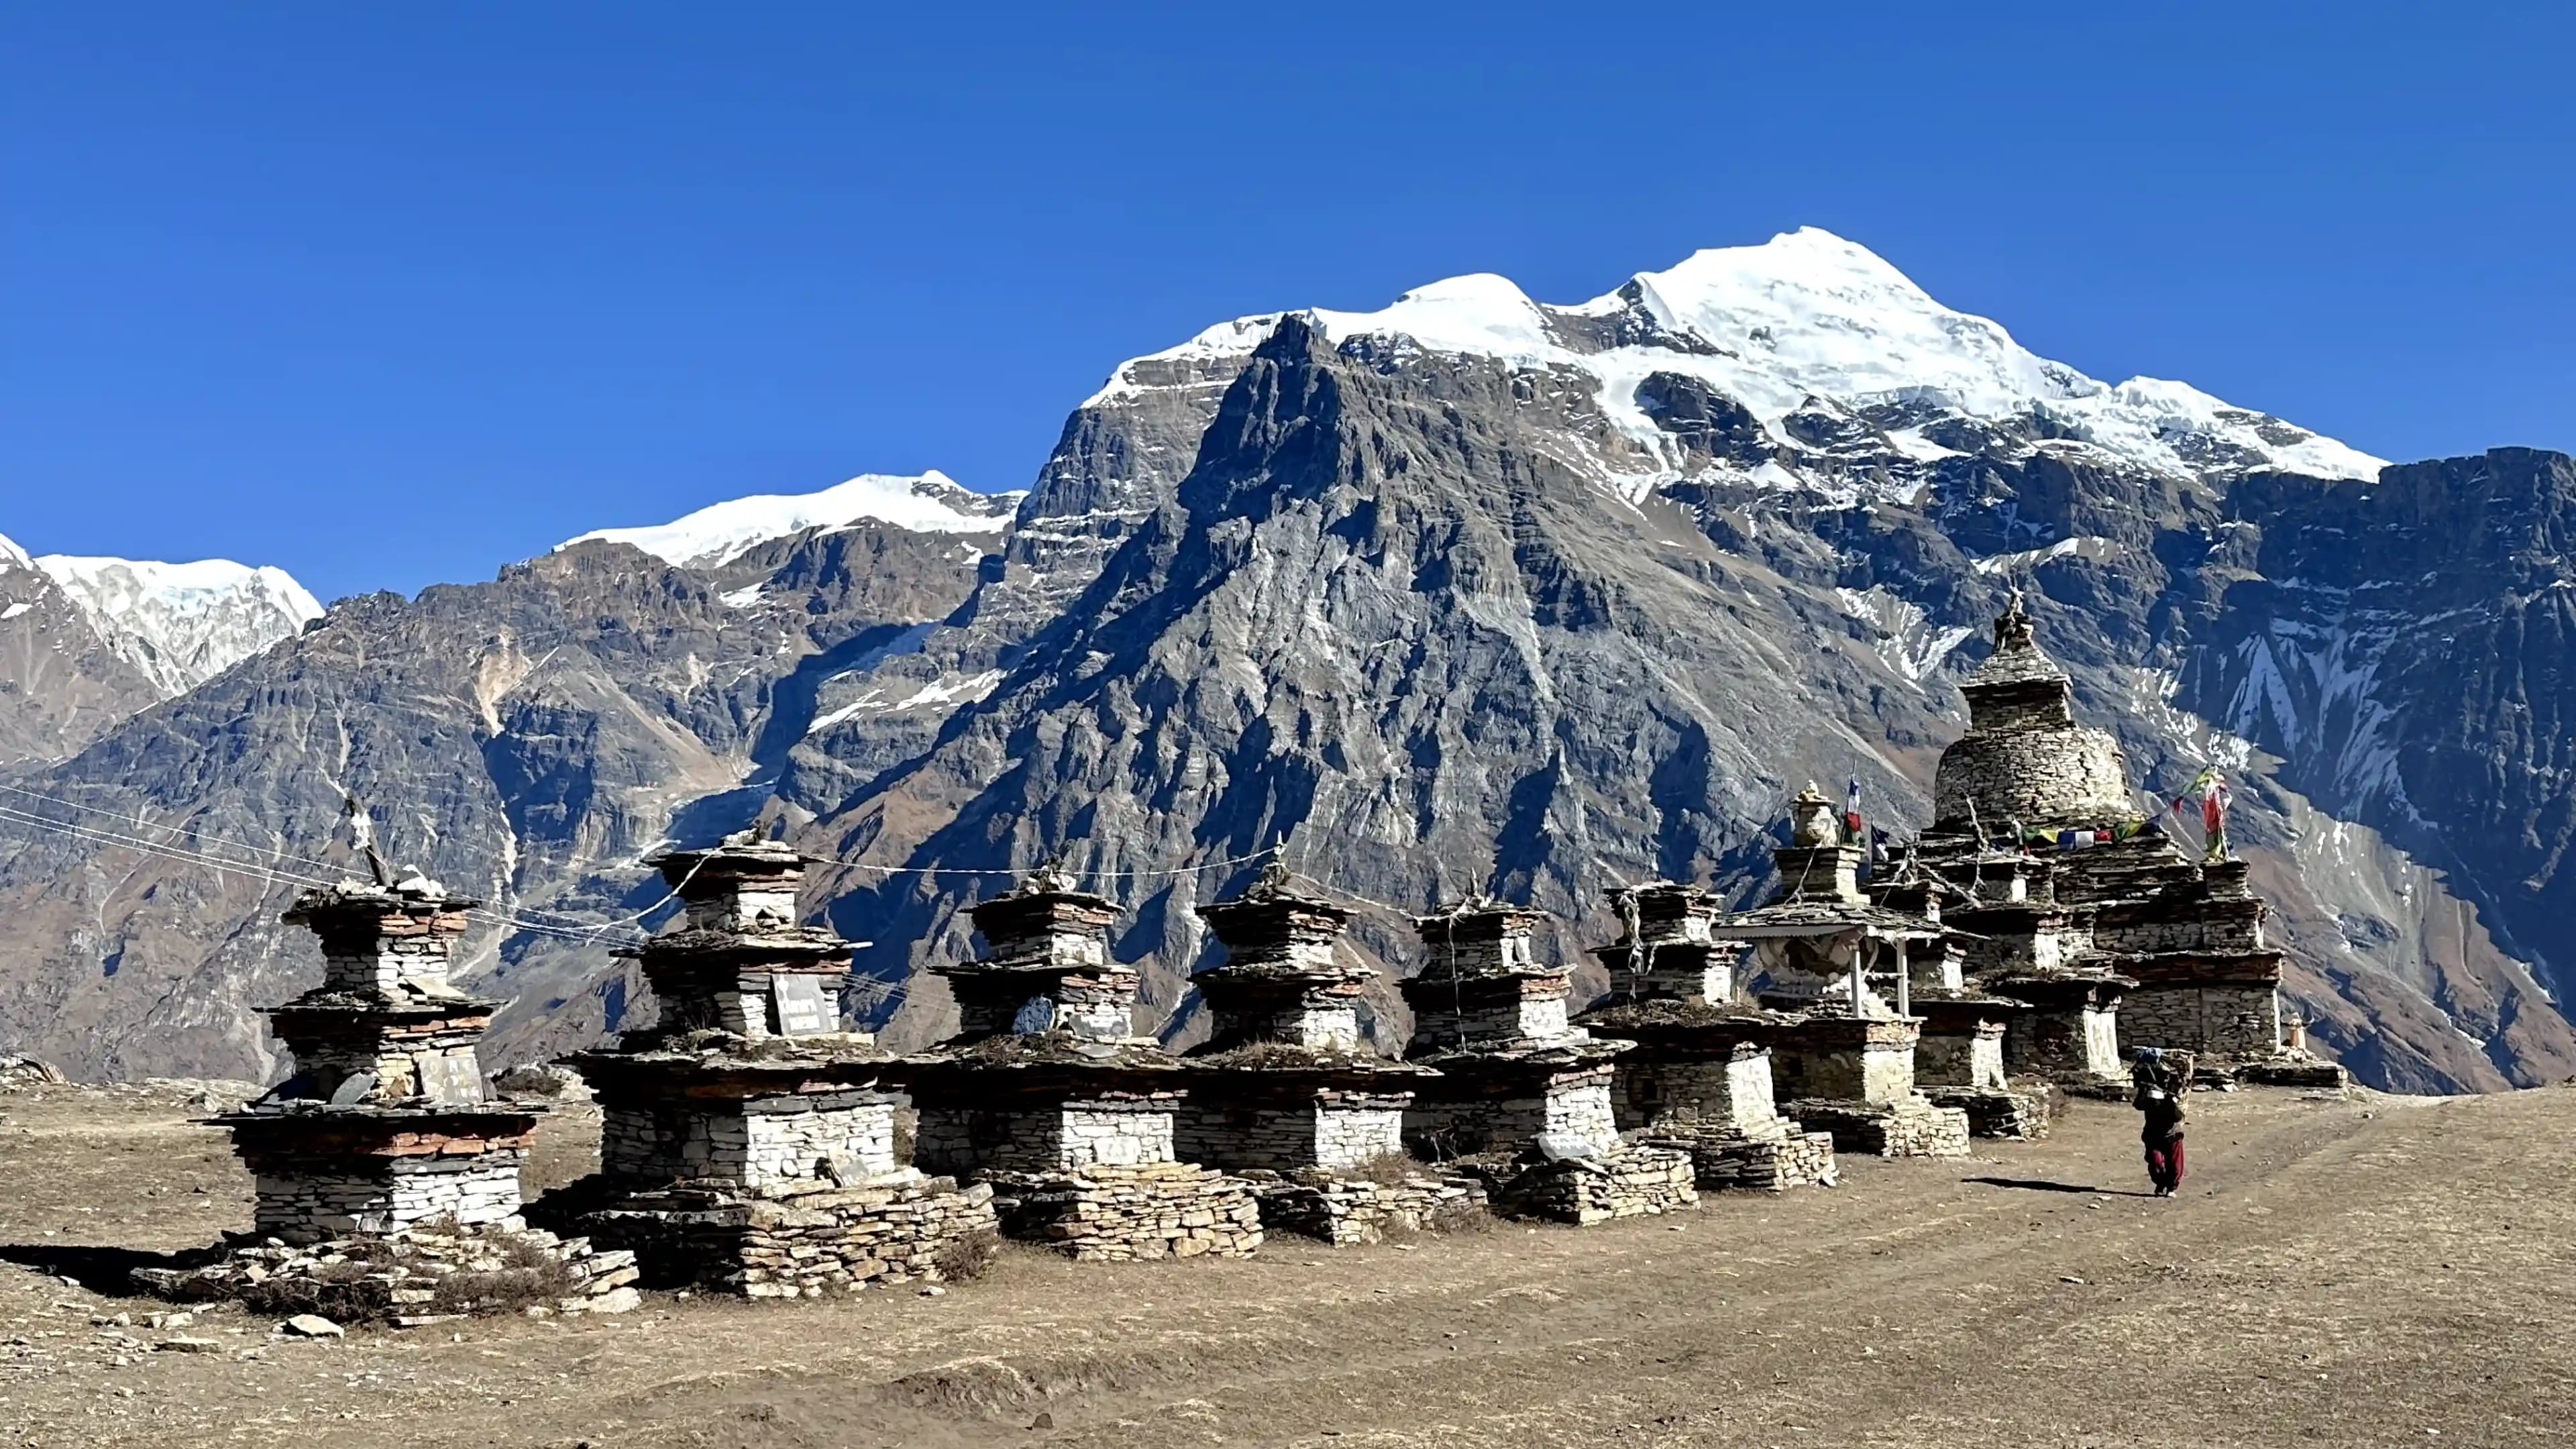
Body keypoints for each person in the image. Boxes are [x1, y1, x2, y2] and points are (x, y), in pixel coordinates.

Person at [2129, 1046, 2193, 1196]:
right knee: (2155, 1161)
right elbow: (2138, 1105)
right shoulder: (2146, 1088)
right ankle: (2161, 1183)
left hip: (2172, 1132)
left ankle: (2171, 1187)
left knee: (2175, 1165)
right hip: (2153, 1131)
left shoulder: (2173, 1092)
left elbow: (2177, 1113)